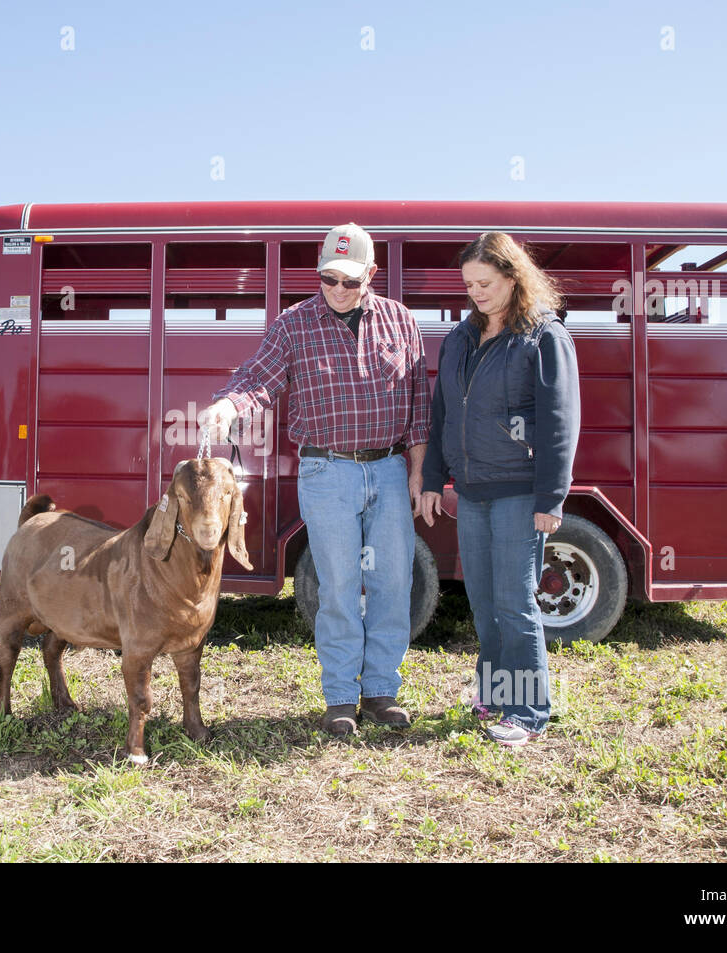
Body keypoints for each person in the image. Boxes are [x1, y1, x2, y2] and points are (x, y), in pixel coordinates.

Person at [199, 223, 430, 736]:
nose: (339, 290)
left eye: (350, 281)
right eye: (329, 279)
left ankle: (381, 691)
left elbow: (419, 405)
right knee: (339, 585)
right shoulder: (293, 324)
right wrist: (226, 405)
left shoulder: (401, 321)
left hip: (390, 469)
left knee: (394, 581)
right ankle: (341, 697)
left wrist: (417, 471)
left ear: (372, 274)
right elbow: (257, 378)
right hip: (326, 471)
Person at [418, 231, 580, 747]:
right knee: (484, 602)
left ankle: (529, 711)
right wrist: (432, 480)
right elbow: (443, 414)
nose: (477, 292)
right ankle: (494, 692)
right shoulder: (461, 338)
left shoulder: (543, 337)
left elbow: (560, 421)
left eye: (486, 282)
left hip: (518, 489)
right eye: (469, 284)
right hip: (472, 489)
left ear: (514, 277)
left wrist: (551, 497)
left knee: (515, 603)